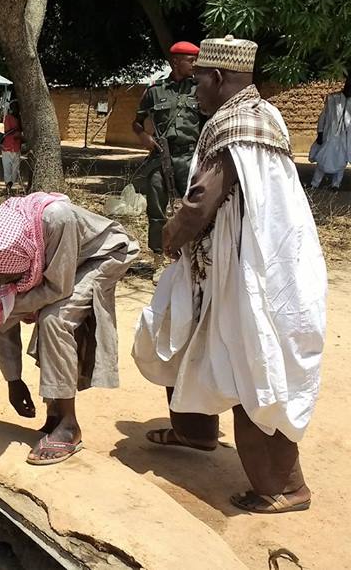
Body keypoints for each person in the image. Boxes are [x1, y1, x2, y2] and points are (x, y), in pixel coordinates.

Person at [133, 36, 327, 514]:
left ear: (217, 78)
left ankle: (284, 487)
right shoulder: (265, 114)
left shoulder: (231, 124)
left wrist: (171, 235)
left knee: (249, 371)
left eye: (198, 78)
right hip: (249, 261)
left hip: (245, 273)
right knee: (180, 332)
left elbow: (201, 201)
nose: (193, 87)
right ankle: (194, 432)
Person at [0, 194, 138, 464]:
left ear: (29, 258)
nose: (5, 282)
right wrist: (13, 380)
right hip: (62, 263)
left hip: (101, 254)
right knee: (31, 311)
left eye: (15, 277)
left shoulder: (56, 218)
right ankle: (54, 416)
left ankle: (68, 426)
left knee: (56, 318)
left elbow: (57, 288)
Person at [133, 41, 204, 273]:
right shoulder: (155, 91)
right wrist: (143, 136)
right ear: (176, 62)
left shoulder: (200, 89)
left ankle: (188, 256)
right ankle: (158, 260)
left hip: (189, 157)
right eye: (191, 60)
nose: (195, 64)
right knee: (156, 210)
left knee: (190, 208)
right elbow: (137, 122)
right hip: (160, 157)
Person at [309, 74, 351, 190]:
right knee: (323, 159)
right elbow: (324, 116)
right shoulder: (333, 98)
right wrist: (320, 132)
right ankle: (314, 184)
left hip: (345, 139)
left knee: (342, 161)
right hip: (330, 136)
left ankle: (335, 185)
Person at [1, 100, 23, 195]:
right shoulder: (8, 118)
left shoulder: (21, 119)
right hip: (7, 147)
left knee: (15, 170)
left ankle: (12, 185)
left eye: (17, 107)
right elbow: (7, 133)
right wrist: (17, 129)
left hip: (16, 147)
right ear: (11, 108)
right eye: (14, 107)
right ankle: (8, 187)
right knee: (7, 169)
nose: (16, 109)